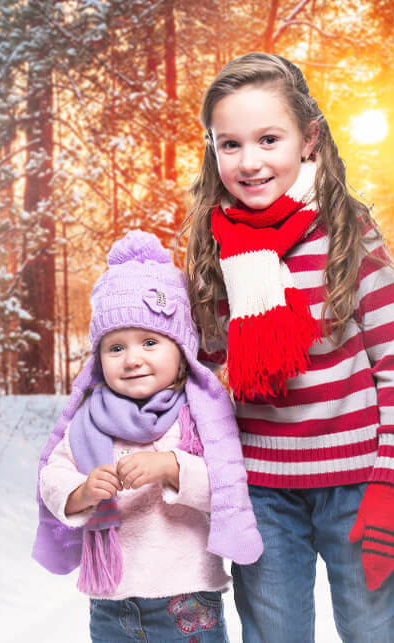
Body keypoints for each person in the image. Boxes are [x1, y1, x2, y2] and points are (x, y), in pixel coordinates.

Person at [183, 52, 394, 642]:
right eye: (230, 144)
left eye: (269, 139)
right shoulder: (213, 249)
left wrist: (392, 482)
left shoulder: (347, 235)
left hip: (358, 481)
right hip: (261, 488)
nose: (250, 161)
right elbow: (206, 379)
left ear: (308, 139)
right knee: (274, 633)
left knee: (375, 628)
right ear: (214, 150)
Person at [33, 230, 263, 642]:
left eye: (150, 342)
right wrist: (80, 492)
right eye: (115, 348)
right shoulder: (90, 418)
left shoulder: (197, 416)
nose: (133, 359)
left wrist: (173, 467)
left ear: (181, 351)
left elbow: (229, 487)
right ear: (98, 358)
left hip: (187, 595)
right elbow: (53, 471)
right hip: (112, 600)